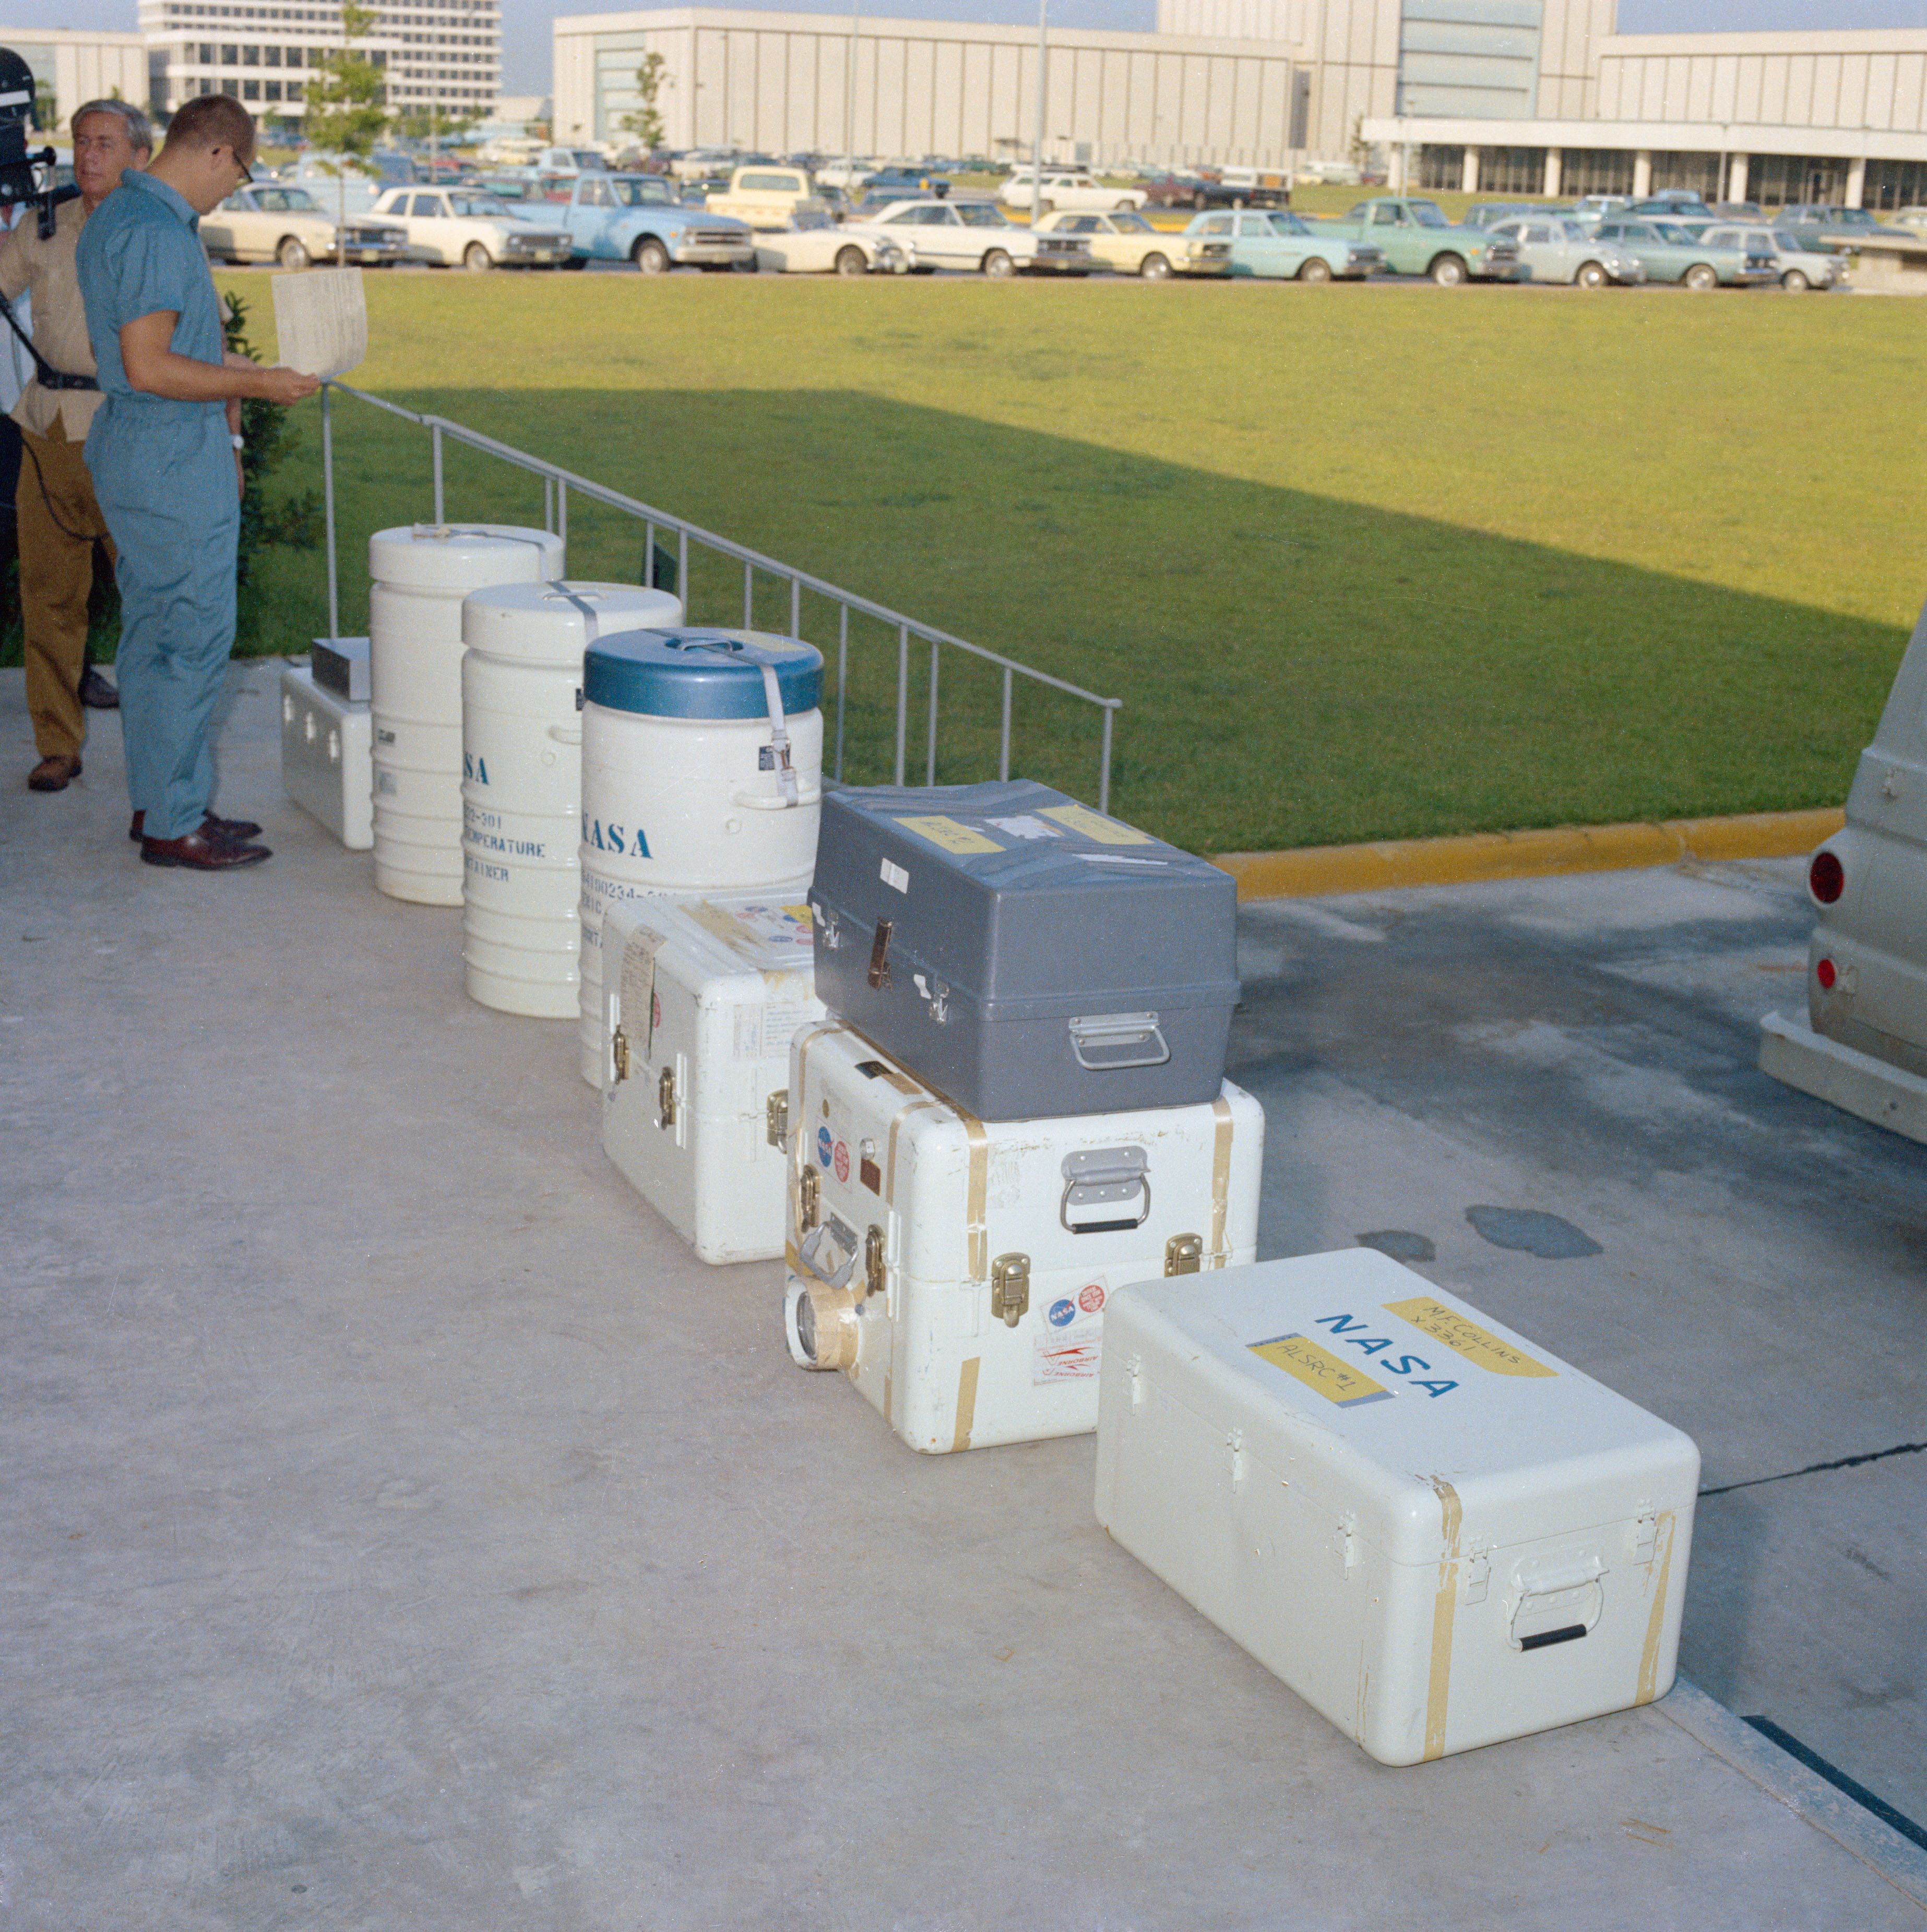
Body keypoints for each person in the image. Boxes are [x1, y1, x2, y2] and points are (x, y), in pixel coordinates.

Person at [75, 92, 318, 870]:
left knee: (152, 639)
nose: (233, 189)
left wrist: (256, 374)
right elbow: (150, 367)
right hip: (170, 458)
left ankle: (159, 801)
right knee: (191, 641)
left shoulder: (124, 216)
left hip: (143, 450)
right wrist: (255, 388)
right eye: (240, 174)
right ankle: (174, 822)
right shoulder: (153, 231)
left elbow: (161, 351)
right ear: (216, 153)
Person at [1, 98, 154, 794]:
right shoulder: (42, 227)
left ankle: (161, 752)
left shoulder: (162, 233)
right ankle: (57, 745)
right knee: (49, 596)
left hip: (131, 432)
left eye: (106, 142)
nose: (89, 155)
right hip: (49, 430)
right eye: (81, 141)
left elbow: (203, 337)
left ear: (140, 157)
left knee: (153, 601)